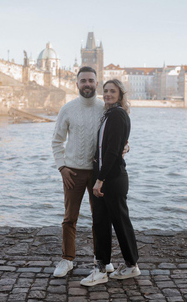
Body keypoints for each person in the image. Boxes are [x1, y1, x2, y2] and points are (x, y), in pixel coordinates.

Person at [51, 66, 114, 277]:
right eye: (83, 81)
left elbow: (117, 136)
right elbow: (57, 141)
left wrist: (125, 146)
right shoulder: (67, 109)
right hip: (73, 172)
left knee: (100, 218)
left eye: (90, 81)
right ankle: (67, 259)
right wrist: (62, 167)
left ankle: (101, 259)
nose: (87, 84)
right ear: (77, 84)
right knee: (70, 217)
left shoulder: (105, 109)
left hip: (97, 174)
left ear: (97, 83)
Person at [81, 79, 140, 286]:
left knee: (115, 222)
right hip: (109, 176)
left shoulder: (116, 115)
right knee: (105, 223)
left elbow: (112, 151)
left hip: (111, 178)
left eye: (112, 91)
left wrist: (99, 180)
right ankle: (111, 266)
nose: (107, 94)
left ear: (120, 94)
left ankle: (121, 266)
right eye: (105, 91)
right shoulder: (110, 113)